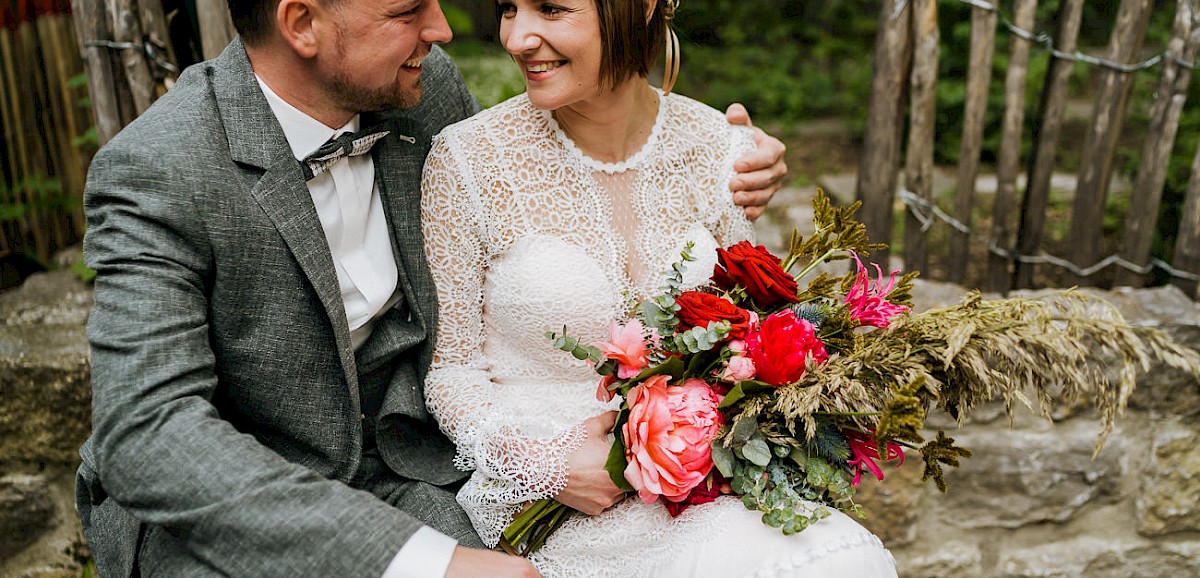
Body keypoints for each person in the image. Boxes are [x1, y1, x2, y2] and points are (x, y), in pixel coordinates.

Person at [75, 0, 786, 576]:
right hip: (233, 503)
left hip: (410, 468)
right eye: (409, 9)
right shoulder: (158, 170)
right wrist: (424, 563)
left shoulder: (423, 87)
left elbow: (537, 171)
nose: (443, 29)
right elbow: (148, 435)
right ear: (302, 25)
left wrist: (712, 156)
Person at [418, 0, 900, 576]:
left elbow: (742, 329)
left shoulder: (722, 149)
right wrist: (545, 462)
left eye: (550, 8)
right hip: (545, 500)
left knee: (833, 561)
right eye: (507, 9)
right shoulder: (468, 159)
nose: (518, 38)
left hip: (699, 485)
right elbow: (451, 372)